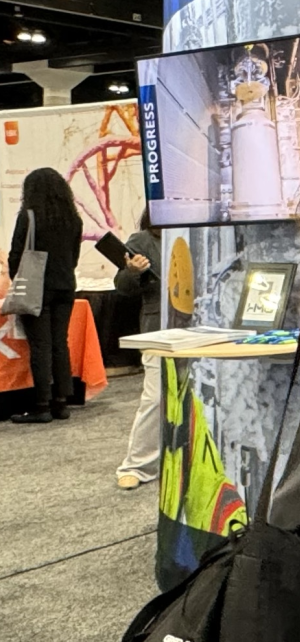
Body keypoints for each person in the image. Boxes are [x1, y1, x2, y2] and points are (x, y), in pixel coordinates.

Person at [8, 168, 82, 424]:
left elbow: (16, 254)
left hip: (37, 287)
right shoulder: (73, 218)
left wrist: (18, 278)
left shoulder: (28, 217)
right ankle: (61, 403)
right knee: (60, 344)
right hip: (66, 286)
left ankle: (42, 406)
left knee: (40, 346)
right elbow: (73, 257)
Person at [114, 208, 163, 487]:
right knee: (155, 398)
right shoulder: (143, 240)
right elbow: (121, 285)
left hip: (206, 325)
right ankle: (137, 466)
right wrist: (133, 271)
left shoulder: (202, 233)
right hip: (159, 329)